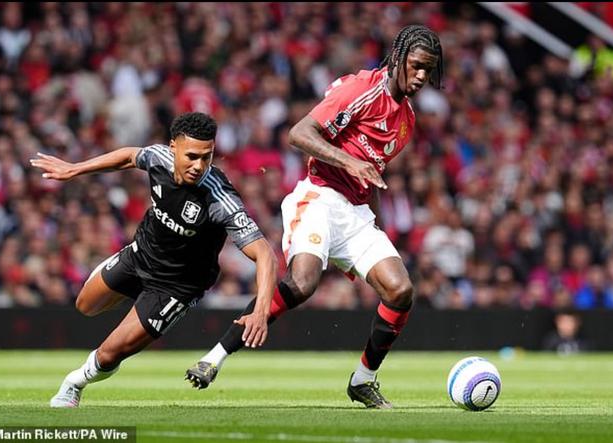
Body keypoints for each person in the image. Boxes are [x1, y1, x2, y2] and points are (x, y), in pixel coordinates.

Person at [186, 25, 443, 409]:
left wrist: (374, 220)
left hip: (356, 213)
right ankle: (214, 357)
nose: (422, 76)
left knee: (401, 290)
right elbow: (300, 133)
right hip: (319, 197)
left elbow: (370, 174)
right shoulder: (360, 90)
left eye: (429, 70)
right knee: (302, 283)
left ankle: (363, 380)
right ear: (397, 58)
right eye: (417, 65)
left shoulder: (406, 119)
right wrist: (349, 162)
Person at [30, 112, 277, 408]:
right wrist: (75, 169)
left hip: (175, 287)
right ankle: (129, 299)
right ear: (173, 147)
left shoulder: (219, 198)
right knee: (85, 305)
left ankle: (74, 383)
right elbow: (128, 156)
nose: (199, 166)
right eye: (192, 156)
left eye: (207, 157)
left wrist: (260, 311)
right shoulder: (159, 158)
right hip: (140, 255)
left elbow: (265, 254)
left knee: (109, 354)